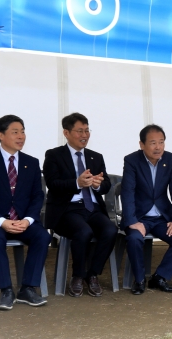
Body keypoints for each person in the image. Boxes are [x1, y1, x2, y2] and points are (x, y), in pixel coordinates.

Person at [0, 115, 50, 310]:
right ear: (1, 135)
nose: (21, 136)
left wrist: (28, 220)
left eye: (23, 132)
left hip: (23, 220)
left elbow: (37, 196)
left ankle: (28, 288)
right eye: (15, 132)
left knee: (42, 236)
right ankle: (6, 290)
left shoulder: (31, 162)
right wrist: (2, 221)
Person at [43, 112, 117, 298]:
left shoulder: (95, 157)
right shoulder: (54, 155)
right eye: (79, 131)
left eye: (87, 130)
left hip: (92, 208)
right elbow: (52, 183)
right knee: (84, 232)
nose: (84, 135)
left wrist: (98, 185)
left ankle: (92, 274)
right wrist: (77, 183)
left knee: (110, 230)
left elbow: (107, 184)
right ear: (66, 133)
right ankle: (77, 276)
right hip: (67, 209)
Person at [121, 124, 172, 295]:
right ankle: (139, 280)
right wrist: (132, 221)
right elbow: (127, 192)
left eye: (161, 142)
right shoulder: (131, 161)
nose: (158, 147)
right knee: (134, 239)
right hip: (139, 217)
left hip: (162, 217)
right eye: (153, 143)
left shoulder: (171, 160)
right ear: (142, 144)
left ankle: (159, 277)